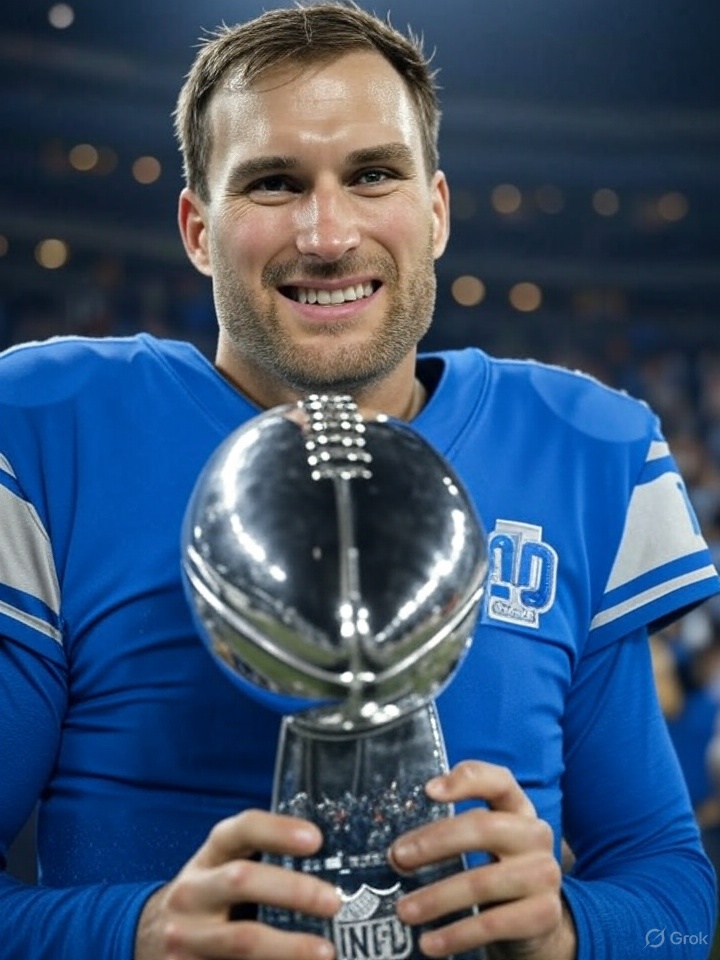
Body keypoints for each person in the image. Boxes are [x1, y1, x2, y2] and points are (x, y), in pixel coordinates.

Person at [0, 2, 717, 958]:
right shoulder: (53, 433)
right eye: (274, 182)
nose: (328, 233)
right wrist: (133, 933)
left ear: (437, 211)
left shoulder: (582, 447)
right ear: (198, 230)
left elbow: (676, 902)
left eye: (374, 174)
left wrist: (568, 931)